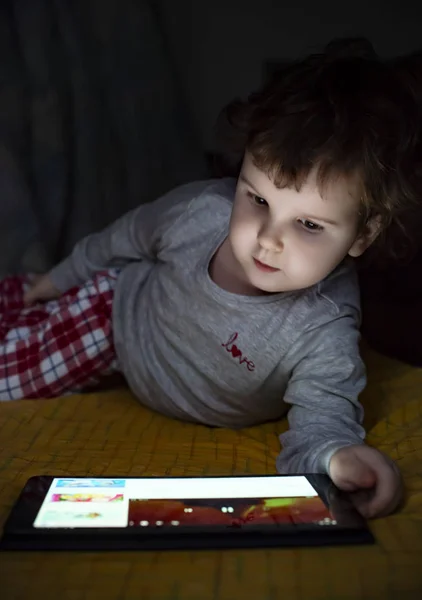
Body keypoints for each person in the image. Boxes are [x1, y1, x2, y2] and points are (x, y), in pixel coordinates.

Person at [0, 39, 419, 519]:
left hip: (150, 358)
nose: (267, 240)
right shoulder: (199, 213)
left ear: (362, 234)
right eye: (257, 200)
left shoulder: (325, 327)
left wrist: (338, 457)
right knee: (16, 342)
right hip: (118, 318)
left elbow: (323, 420)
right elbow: (124, 237)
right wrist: (59, 277)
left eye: (308, 225)